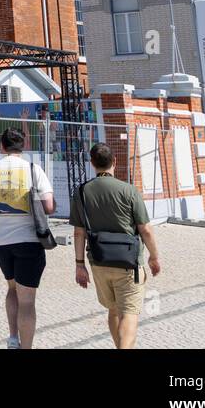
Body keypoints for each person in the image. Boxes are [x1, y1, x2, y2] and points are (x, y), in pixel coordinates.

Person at [70, 142, 161, 350]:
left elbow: (78, 232)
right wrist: (154, 256)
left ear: (92, 163)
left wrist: (79, 264)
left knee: (112, 310)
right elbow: (145, 228)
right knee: (129, 312)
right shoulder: (129, 190)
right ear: (115, 162)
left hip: (98, 261)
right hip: (128, 262)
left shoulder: (82, 192)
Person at [0, 127, 54, 349]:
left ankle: (13, 338)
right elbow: (48, 207)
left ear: (1, 146)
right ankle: (26, 347)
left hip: (1, 243)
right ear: (25, 145)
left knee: (12, 288)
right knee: (27, 300)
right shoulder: (33, 170)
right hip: (29, 240)